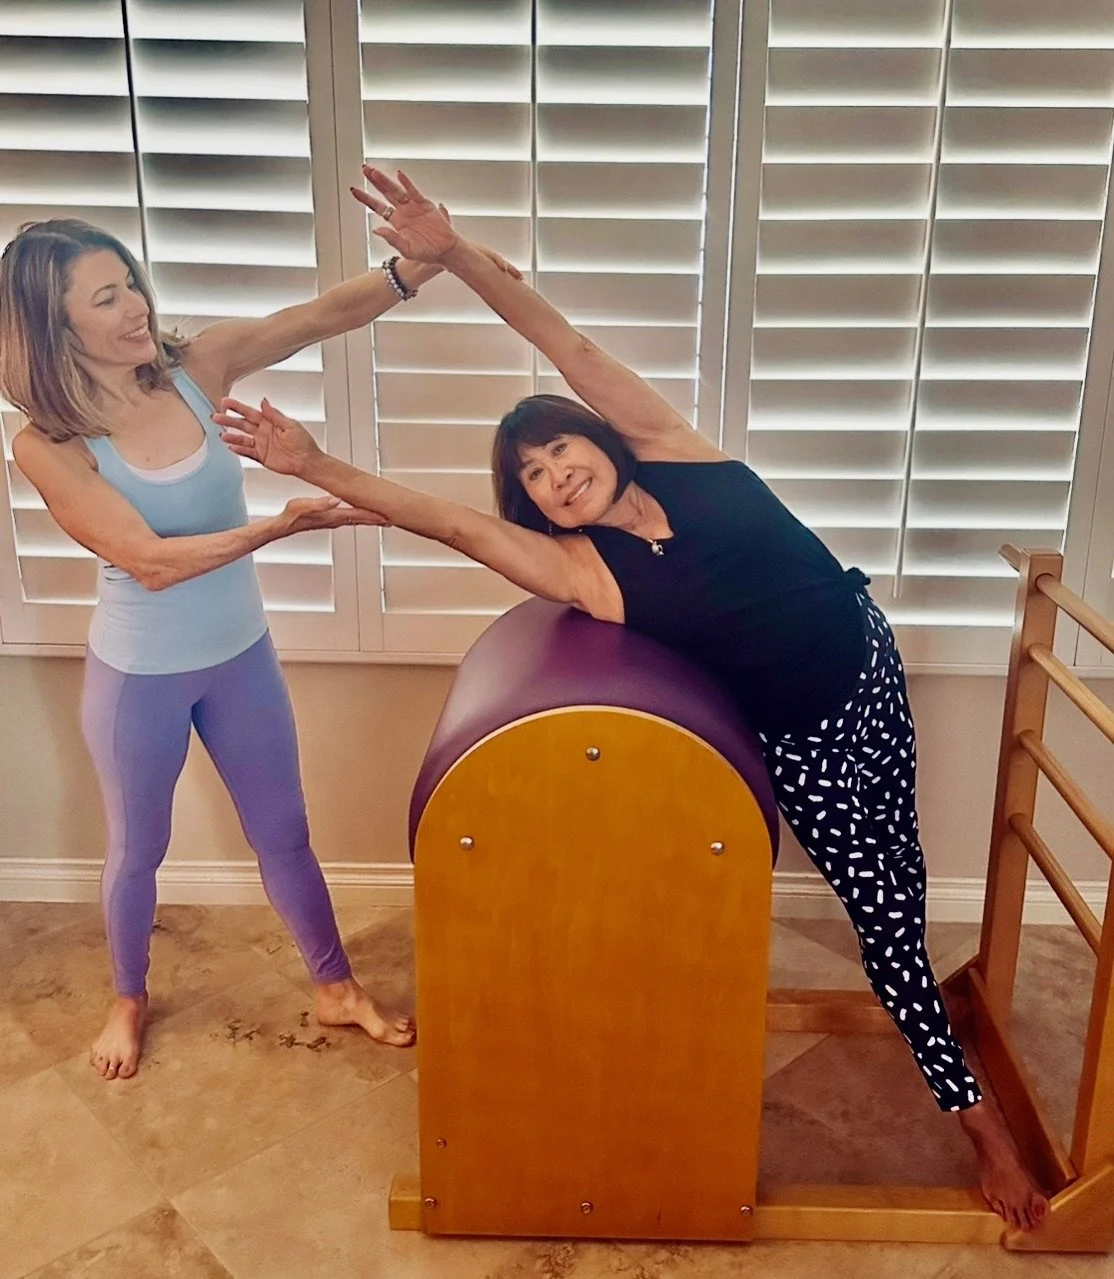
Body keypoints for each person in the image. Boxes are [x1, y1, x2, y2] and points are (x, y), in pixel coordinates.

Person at [212, 167, 1048, 1231]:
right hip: (807, 745)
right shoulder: (587, 572)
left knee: (907, 873)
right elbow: (453, 523)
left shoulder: (673, 450)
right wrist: (319, 462)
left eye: (560, 447)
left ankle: (930, 1005)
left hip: (871, 670)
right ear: (536, 504)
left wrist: (453, 252)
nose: (556, 473)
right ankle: (983, 1130)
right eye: (534, 475)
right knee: (884, 924)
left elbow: (565, 343)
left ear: (596, 440)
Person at [0, 217, 516, 1079]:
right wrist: (278, 527)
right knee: (138, 848)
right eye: (107, 298)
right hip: (140, 677)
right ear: (55, 330)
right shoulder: (48, 444)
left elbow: (319, 315)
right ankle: (128, 997)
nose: (136, 306)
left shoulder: (197, 366)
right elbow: (150, 562)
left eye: (130, 282)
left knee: (284, 831)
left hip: (239, 655)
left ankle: (336, 985)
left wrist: (421, 266)